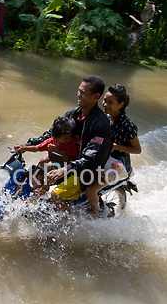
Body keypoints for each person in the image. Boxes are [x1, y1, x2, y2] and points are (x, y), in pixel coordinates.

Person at [41, 75, 113, 216]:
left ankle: (66, 230)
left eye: (83, 92)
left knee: (56, 194)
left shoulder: (101, 125)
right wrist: (28, 145)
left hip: (87, 172)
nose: (78, 94)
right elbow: (51, 133)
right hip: (69, 163)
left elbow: (92, 158)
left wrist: (65, 169)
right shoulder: (73, 114)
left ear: (96, 96)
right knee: (39, 169)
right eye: (79, 90)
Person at [84, 84, 142, 215]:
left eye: (110, 102)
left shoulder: (128, 126)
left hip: (118, 166)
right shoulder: (106, 118)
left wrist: (117, 147)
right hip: (103, 159)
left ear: (120, 105)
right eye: (104, 100)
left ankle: (95, 216)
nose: (105, 104)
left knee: (91, 190)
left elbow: (137, 149)